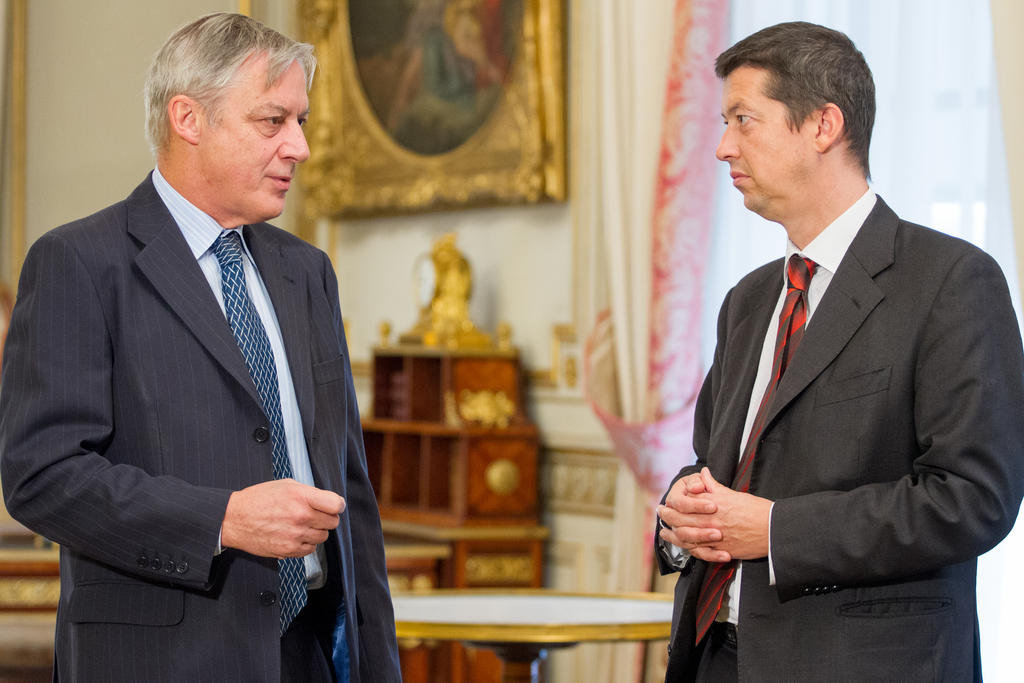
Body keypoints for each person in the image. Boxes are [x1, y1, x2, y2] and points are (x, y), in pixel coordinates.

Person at [0, 13, 401, 683]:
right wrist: (222, 517)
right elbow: (41, 477)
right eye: (273, 122)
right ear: (189, 119)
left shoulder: (307, 272)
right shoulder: (78, 262)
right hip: (162, 660)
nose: (298, 147)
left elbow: (351, 492)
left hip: (310, 656)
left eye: (300, 122)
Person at [655, 21, 1024, 682]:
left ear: (823, 125)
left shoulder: (950, 282)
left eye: (744, 119)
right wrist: (685, 508)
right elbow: (724, 465)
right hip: (715, 657)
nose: (720, 147)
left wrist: (774, 531)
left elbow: (973, 499)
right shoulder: (747, 299)